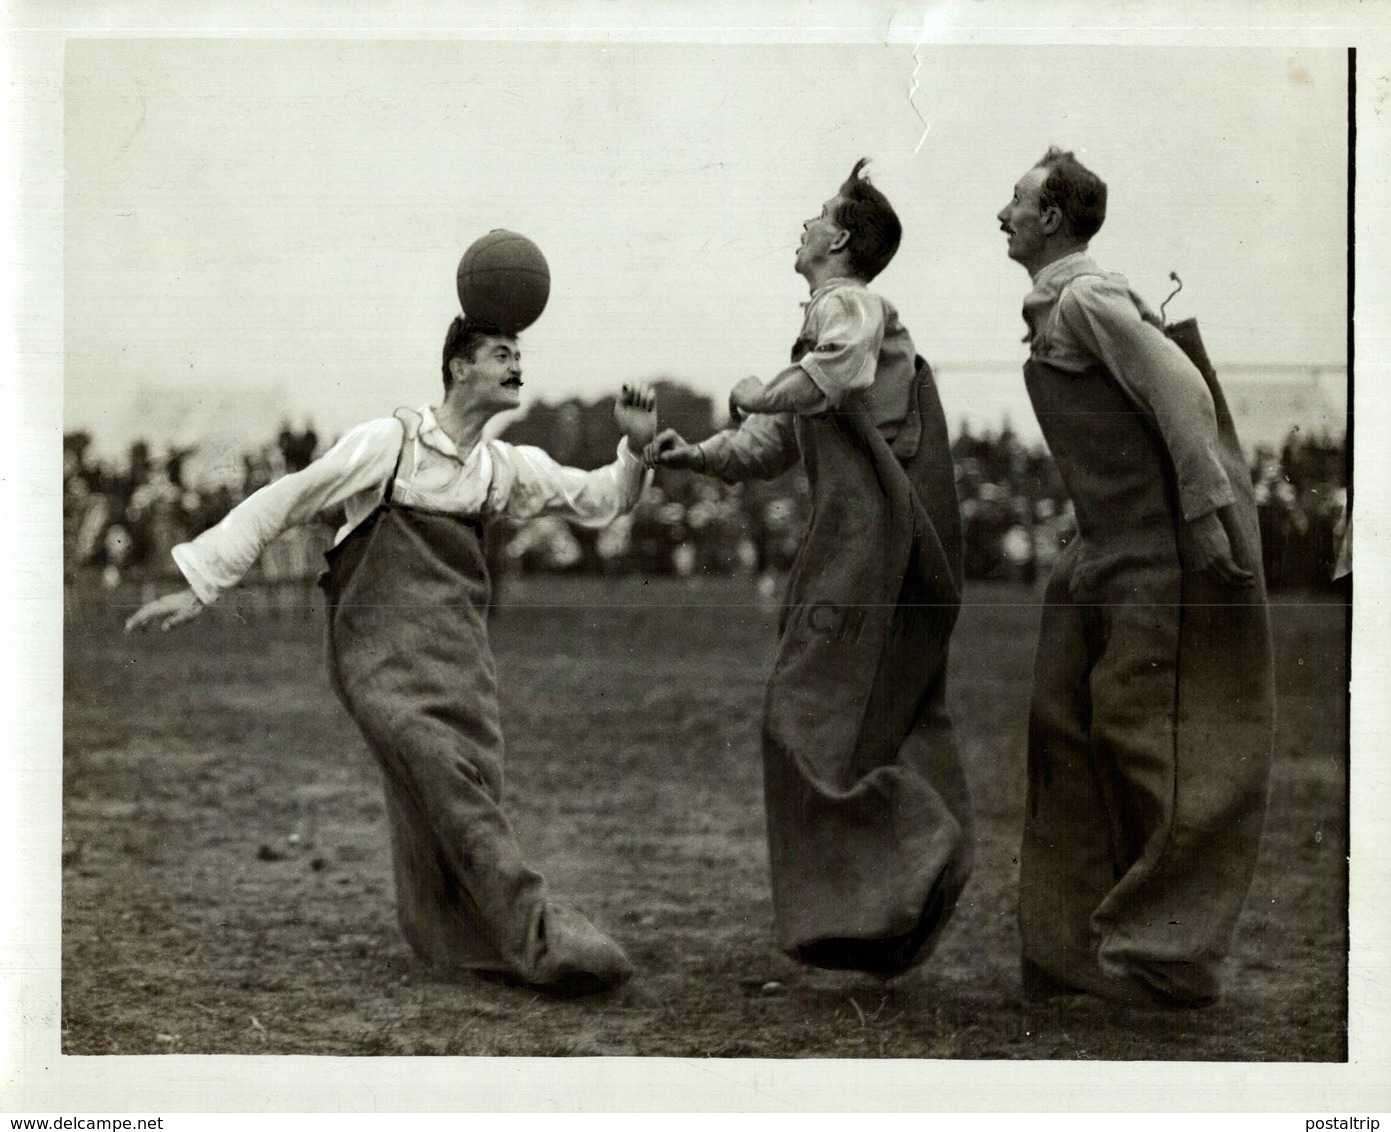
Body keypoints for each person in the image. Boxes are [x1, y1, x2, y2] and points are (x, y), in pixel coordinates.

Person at [127, 312, 658, 996]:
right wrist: (203, 583)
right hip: (377, 661)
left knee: (452, 792)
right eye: (501, 352)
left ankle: (444, 936)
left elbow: (604, 498)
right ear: (458, 367)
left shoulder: (503, 469)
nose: (516, 364)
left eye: (519, 353)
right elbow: (285, 499)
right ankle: (540, 939)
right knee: (446, 783)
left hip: (461, 662)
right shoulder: (390, 443)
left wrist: (636, 448)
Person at [646, 160, 972, 975]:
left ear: (840, 239)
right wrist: (700, 454)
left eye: (816, 213)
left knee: (799, 713)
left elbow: (837, 370)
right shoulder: (828, 320)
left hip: (869, 541)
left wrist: (758, 394)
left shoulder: (847, 305)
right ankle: (887, 893)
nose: (802, 223)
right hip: (868, 540)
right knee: (857, 717)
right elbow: (781, 440)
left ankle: (909, 858)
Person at [997, 147, 1274, 1007]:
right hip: (1105, 553)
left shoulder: (1086, 297)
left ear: (1050, 219)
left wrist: (1203, 514)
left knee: (1143, 742)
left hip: (1155, 556)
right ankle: (1074, 949)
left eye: (1013, 201)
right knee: (1066, 726)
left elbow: (1183, 395)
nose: (999, 214)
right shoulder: (1057, 305)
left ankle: (1167, 959)